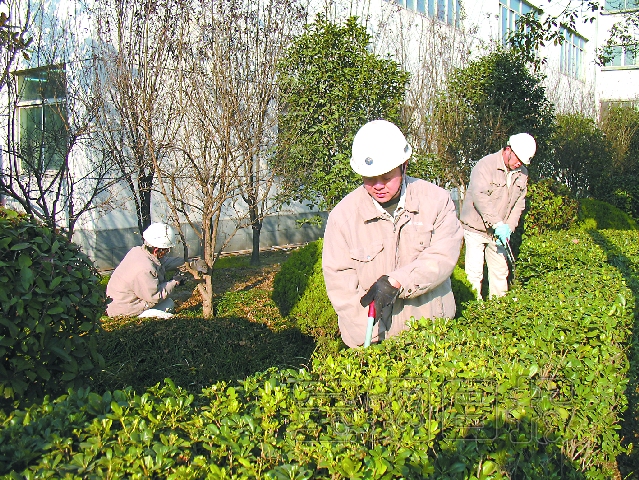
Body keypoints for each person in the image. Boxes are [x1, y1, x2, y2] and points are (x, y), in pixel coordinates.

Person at [322, 119, 464, 348]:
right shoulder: (343, 218)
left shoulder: (437, 201)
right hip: (376, 339)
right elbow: (340, 282)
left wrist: (399, 281)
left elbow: (442, 257)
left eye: (387, 177)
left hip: (431, 334)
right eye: (370, 178)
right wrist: (367, 338)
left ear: (404, 165)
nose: (378, 185)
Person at [460, 133, 537, 300]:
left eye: (522, 163)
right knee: (474, 273)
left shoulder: (522, 173)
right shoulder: (485, 165)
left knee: (500, 272)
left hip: (499, 234)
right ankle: (474, 310)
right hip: (476, 229)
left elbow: (519, 204)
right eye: (518, 160)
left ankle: (499, 312)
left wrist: (508, 227)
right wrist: (497, 223)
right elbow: (480, 196)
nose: (519, 164)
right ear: (508, 150)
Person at [106, 222, 188, 318]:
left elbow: (163, 262)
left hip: (119, 303)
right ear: (156, 250)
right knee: (168, 306)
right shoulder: (145, 269)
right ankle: (143, 318)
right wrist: (174, 282)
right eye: (166, 250)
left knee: (168, 302)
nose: (167, 252)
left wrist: (188, 262)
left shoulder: (138, 251)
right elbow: (155, 296)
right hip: (124, 310)